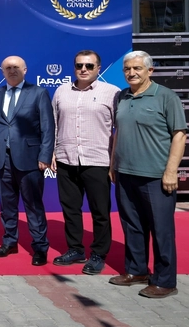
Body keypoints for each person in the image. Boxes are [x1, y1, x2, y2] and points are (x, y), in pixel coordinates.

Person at [110, 51, 186, 299]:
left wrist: (171, 171)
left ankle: (165, 281)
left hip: (156, 175)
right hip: (125, 173)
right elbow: (118, 132)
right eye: (127, 69)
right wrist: (113, 165)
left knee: (161, 230)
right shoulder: (121, 96)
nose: (131, 73)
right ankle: (137, 271)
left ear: (150, 71)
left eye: (137, 68)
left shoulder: (166, 96)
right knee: (132, 225)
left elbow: (179, 135)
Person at [51, 50, 120, 274]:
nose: (83, 69)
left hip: (98, 161)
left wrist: (114, 162)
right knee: (70, 209)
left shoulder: (112, 93)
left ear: (98, 68)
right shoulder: (61, 91)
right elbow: (54, 124)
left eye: (89, 66)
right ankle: (75, 250)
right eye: (79, 65)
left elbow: (119, 129)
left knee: (100, 212)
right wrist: (52, 152)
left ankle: (99, 253)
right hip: (66, 159)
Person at [0, 55, 55, 266]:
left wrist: (45, 155)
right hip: (2, 158)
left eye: (16, 67)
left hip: (30, 159)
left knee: (33, 205)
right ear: (2, 72)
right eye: (8, 68)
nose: (12, 70)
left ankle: (40, 247)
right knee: (7, 204)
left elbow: (48, 127)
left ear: (25, 70)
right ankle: (9, 241)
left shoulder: (38, 93)